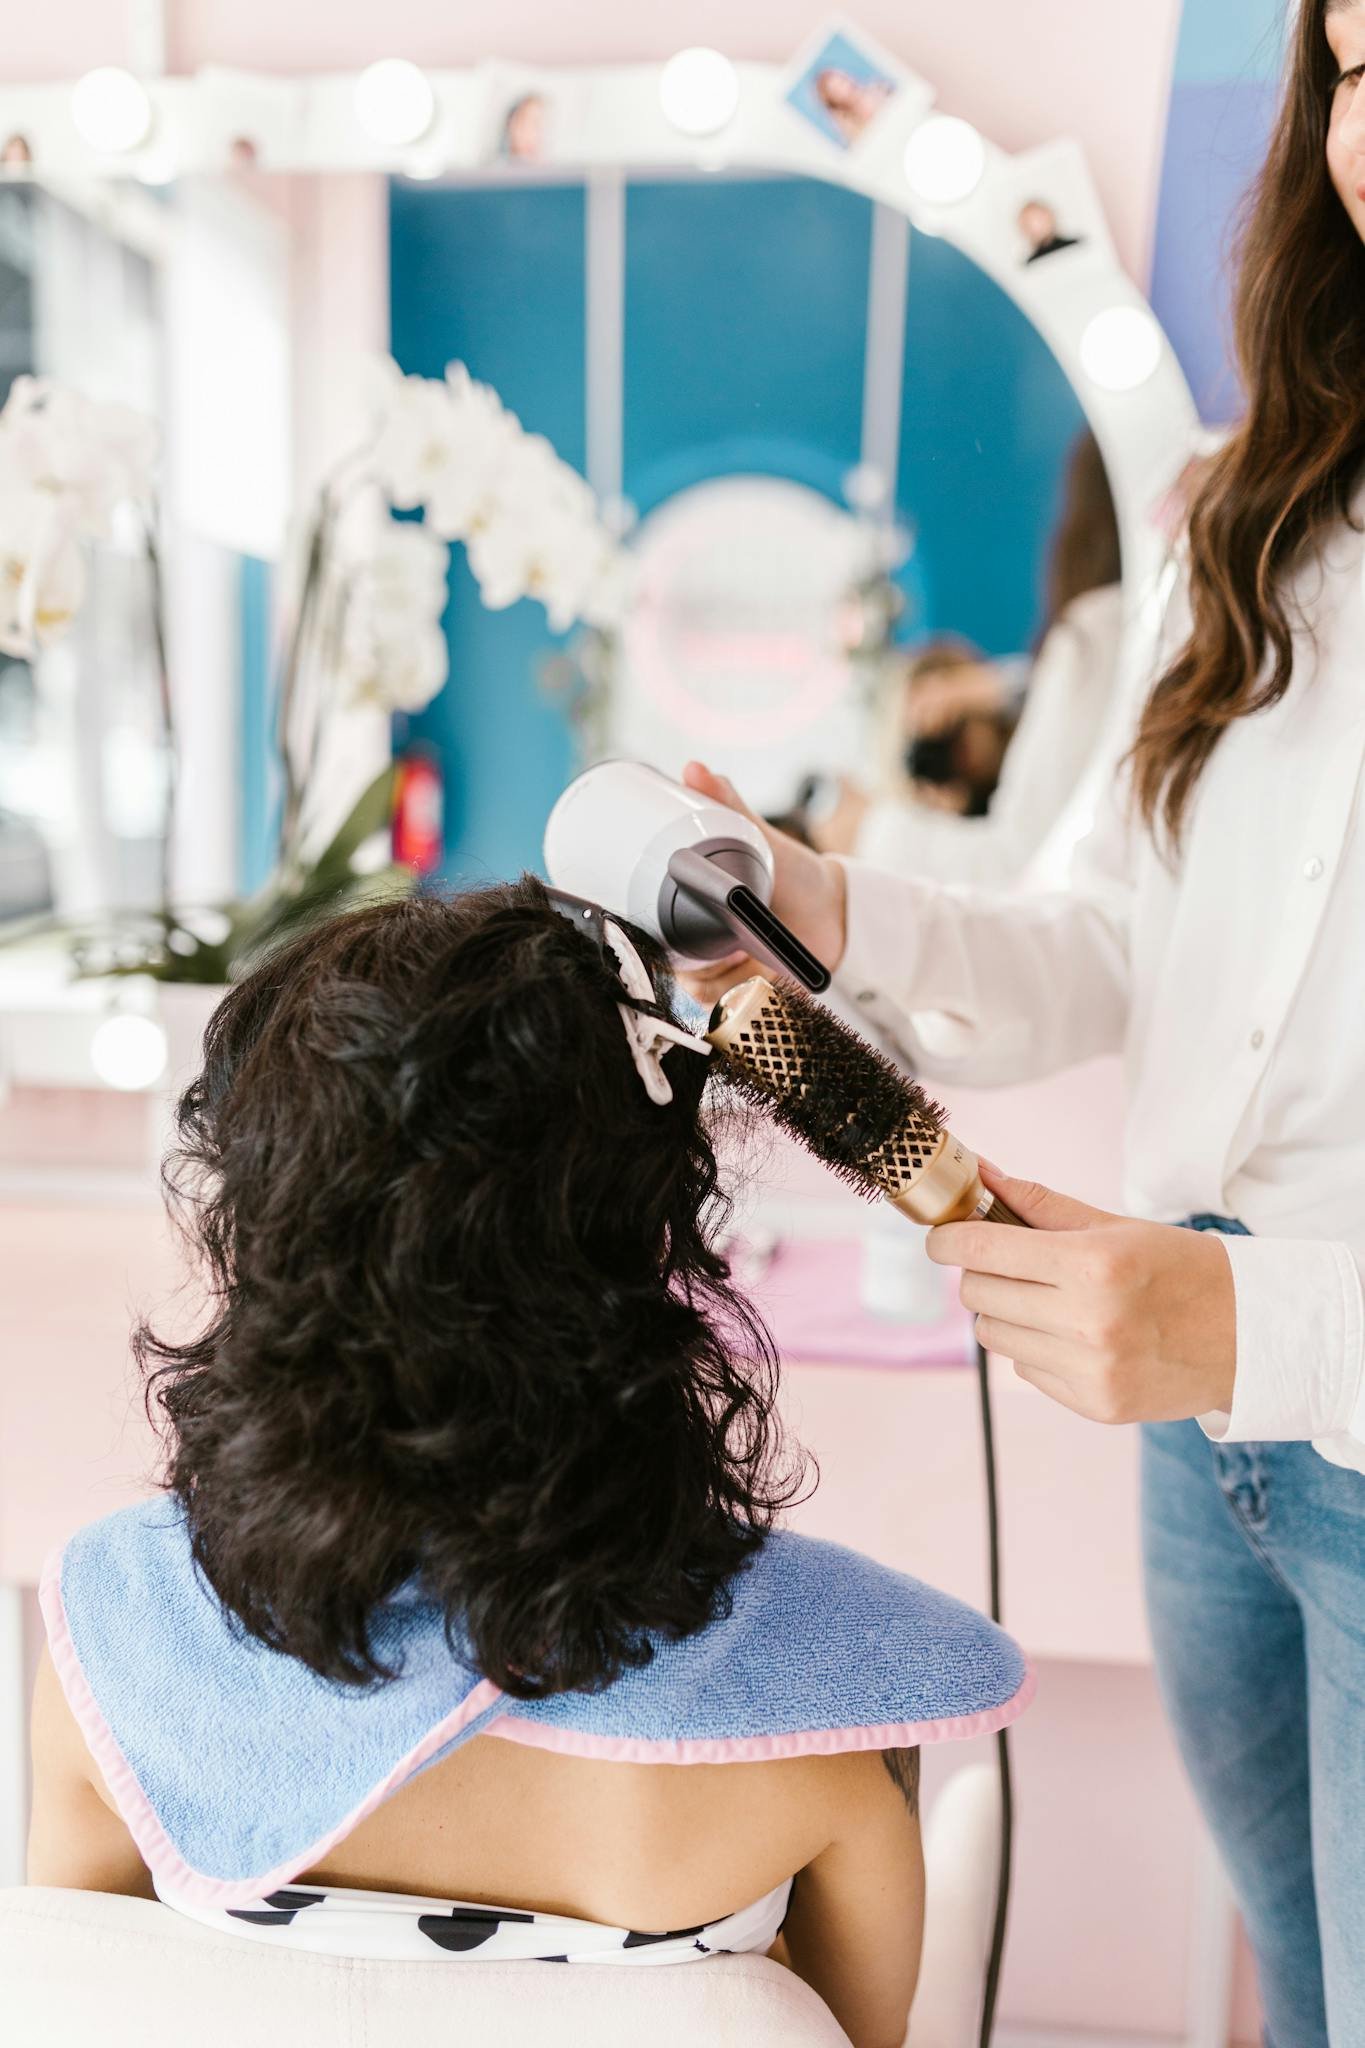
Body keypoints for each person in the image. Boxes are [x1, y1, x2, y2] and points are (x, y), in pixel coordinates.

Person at [683, 4, 1365, 2035]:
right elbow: (1090, 937)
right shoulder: (1258, 516)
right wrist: (818, 914)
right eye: (1353, 60)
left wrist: (1258, 1323)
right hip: (1202, 1441)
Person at [26, 883, 1026, 2048]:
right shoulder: (814, 1751)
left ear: (265, 1235)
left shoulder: (110, 1668)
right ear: (651, 1240)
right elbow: (858, 2032)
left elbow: (94, 1986)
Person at [816, 431, 1125, 887]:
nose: (949, 729)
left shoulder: (1094, 640)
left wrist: (872, 831)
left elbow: (1021, 861)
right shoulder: (1099, 639)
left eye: (947, 692)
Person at [1017, 199, 1081, 265]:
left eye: (1040, 219)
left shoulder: (1076, 246)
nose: (1037, 226)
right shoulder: (1031, 265)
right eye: (1030, 222)